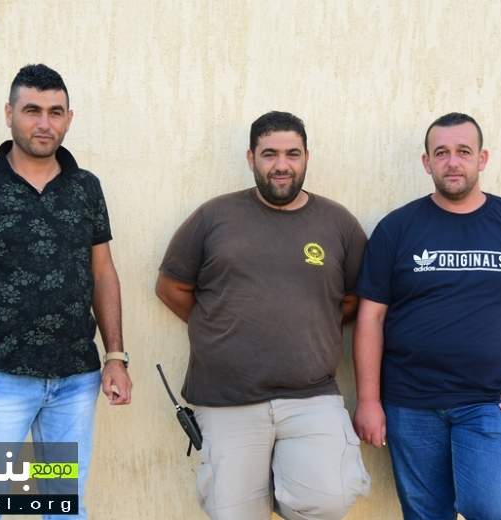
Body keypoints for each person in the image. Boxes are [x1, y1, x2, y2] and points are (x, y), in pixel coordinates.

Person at [0, 64, 131, 519]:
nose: (44, 123)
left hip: (75, 378)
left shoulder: (86, 187)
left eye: (55, 112)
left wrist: (115, 357)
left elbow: (103, 273)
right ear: (9, 114)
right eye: (32, 110)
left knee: (66, 508)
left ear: (69, 119)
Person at [353, 113, 501, 520]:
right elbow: (371, 317)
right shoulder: (397, 228)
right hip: (410, 402)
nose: (452, 162)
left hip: (490, 401)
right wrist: (368, 400)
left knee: (499, 510)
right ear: (427, 163)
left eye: (463, 152)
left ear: (482, 158)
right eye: (441, 153)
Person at [156, 111, 371, 520]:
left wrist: (314, 325)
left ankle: (282, 480)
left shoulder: (337, 223)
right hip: (226, 398)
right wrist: (221, 324)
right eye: (269, 154)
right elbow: (171, 287)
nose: (281, 165)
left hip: (311, 396)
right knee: (234, 514)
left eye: (292, 154)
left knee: (329, 500)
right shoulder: (213, 217)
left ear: (307, 156)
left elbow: (356, 298)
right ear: (251, 157)